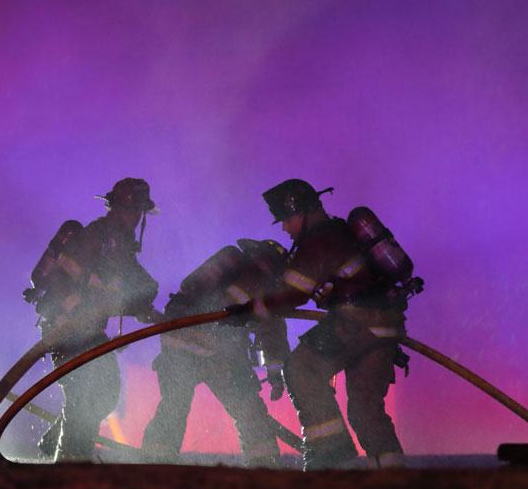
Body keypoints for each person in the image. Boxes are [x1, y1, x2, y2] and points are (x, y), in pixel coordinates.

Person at [227, 179, 409, 470]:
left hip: (356, 322)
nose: (285, 228)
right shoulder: (342, 234)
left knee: (300, 368)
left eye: (286, 220)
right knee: (365, 409)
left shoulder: (319, 240)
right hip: (386, 325)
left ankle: (330, 454)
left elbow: (292, 293)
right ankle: (394, 477)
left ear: (299, 211)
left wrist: (249, 310)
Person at [25, 178, 162, 462]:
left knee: (106, 393)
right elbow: (60, 279)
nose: (137, 217)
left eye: (140, 212)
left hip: (90, 331)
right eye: (133, 210)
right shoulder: (93, 237)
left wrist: (146, 305)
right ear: (115, 209)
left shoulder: (122, 248)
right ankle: (71, 463)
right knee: (82, 394)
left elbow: (133, 286)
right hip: (64, 327)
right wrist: (75, 312)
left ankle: (57, 443)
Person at [141, 239, 290, 468]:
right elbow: (268, 328)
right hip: (215, 344)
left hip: (179, 334)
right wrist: (274, 372)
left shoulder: (232, 263)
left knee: (174, 404)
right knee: (247, 407)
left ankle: (154, 463)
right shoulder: (258, 279)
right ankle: (265, 466)